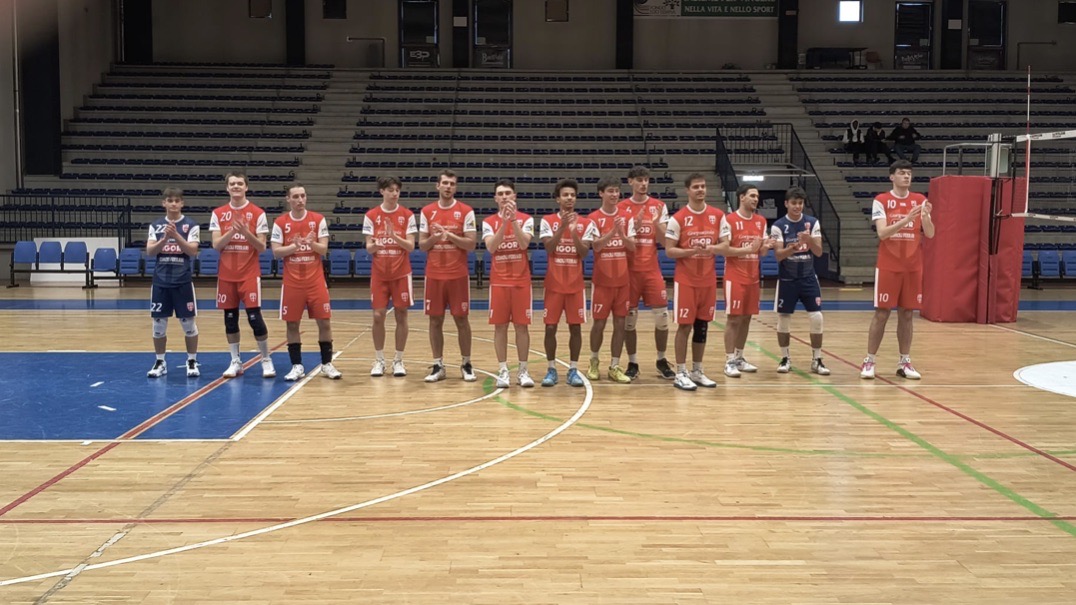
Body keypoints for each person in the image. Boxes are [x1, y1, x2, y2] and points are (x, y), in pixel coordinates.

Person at [862, 160, 934, 380]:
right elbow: (882, 233)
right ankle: (869, 360)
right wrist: (907, 219)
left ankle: (904, 361)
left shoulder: (920, 200)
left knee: (907, 314)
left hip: (913, 266)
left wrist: (925, 217)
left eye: (909, 173)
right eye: (902, 173)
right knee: (882, 313)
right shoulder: (882, 200)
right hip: (888, 265)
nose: (906, 176)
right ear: (892, 177)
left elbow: (930, 233)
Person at [270, 184, 341, 381]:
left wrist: (310, 243)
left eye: (302, 196)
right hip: (292, 283)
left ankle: (327, 364)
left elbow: (323, 250)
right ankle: (297, 366)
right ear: (288, 199)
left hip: (315, 281)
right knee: (292, 324)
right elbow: (276, 252)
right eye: (295, 196)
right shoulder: (281, 222)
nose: (300, 200)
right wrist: (295, 245)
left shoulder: (317, 219)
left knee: (324, 322)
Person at [210, 171, 275, 379]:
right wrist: (232, 231)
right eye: (232, 184)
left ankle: (266, 359)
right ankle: (235, 361)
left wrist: (246, 232)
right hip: (226, 275)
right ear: (227, 188)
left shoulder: (257, 213)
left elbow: (262, 247)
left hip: (249, 275)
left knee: (255, 318)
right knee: (230, 320)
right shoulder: (218, 213)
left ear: (246, 187)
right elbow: (216, 245)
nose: (236, 186)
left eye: (240, 183)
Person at [664, 173, 725, 391]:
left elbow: (726, 245)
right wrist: (691, 251)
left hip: (708, 280)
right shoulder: (678, 218)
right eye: (696, 187)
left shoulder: (717, 215)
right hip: (686, 281)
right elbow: (669, 251)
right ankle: (681, 372)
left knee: (702, 326)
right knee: (685, 325)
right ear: (687, 190)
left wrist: (712, 248)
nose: (700, 190)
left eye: (703, 186)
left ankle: (697, 370)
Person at [418, 169, 478, 383]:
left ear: (455, 187)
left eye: (452, 184)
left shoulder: (466, 211)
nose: (448, 187)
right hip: (434, 275)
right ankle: (438, 365)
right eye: (445, 183)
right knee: (435, 320)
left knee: (461, 319)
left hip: (458, 275)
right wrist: (435, 238)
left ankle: (466, 363)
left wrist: (449, 235)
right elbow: (422, 245)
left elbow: (471, 244)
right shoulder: (427, 211)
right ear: (438, 186)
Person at [617, 165, 674, 380]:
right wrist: (635, 224)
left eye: (646, 180)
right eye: (639, 180)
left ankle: (661, 360)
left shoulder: (658, 206)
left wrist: (657, 223)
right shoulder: (621, 207)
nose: (643, 184)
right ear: (630, 182)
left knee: (662, 319)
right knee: (629, 321)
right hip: (629, 271)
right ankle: (632, 362)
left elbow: (665, 242)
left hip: (651, 270)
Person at [770, 187, 829, 376]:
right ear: (786, 204)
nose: (797, 206)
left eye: (800, 203)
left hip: (808, 278)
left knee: (817, 317)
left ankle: (817, 359)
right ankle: (785, 358)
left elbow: (818, 252)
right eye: (794, 203)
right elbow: (778, 255)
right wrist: (792, 248)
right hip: (787, 279)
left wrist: (809, 240)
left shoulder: (812, 222)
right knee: (784, 319)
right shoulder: (778, 225)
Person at [482, 179, 535, 388]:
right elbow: (491, 248)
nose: (504, 197)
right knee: (500, 327)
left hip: (521, 282)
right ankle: (503, 370)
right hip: (499, 283)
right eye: (500, 194)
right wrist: (504, 223)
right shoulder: (488, 222)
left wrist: (513, 221)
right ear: (495, 198)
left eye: (508, 193)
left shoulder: (526, 219)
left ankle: (523, 370)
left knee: (522, 326)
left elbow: (523, 243)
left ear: (514, 196)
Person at [363, 176, 417, 378]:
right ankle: (379, 359)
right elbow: (369, 248)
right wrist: (376, 245)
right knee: (378, 316)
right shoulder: (371, 215)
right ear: (382, 191)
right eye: (390, 190)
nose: (394, 193)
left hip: (401, 273)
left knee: (401, 315)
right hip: (379, 274)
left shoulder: (407, 215)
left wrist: (394, 236)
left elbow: (410, 246)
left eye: (397, 190)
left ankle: (398, 360)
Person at [584, 177, 637, 384]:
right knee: (599, 323)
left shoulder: (626, 217)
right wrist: (613, 231)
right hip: (602, 281)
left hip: (622, 280)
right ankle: (594, 361)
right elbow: (596, 246)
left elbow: (632, 246)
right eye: (610, 191)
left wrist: (621, 233)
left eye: (616, 191)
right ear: (601, 193)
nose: (614, 195)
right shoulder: (593, 218)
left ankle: (615, 365)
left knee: (620, 323)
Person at [538, 179, 590, 387]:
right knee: (550, 328)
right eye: (565, 195)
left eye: (573, 195)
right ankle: (551, 369)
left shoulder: (586, 223)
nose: (569, 198)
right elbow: (549, 248)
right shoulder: (547, 221)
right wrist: (562, 228)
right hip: (554, 285)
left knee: (575, 328)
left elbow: (583, 253)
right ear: (557, 199)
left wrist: (574, 232)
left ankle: (573, 369)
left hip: (575, 285)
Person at [721, 184, 776, 378]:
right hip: (735, 277)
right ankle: (729, 361)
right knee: (733, 319)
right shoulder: (729, 220)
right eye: (752, 195)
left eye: (757, 196)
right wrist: (747, 249)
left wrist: (766, 247)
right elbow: (724, 250)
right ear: (741, 197)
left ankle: (739, 357)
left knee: (746, 318)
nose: (755, 199)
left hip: (753, 277)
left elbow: (760, 252)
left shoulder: (761, 221)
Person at [145, 187, 201, 378]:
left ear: (182, 203)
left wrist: (176, 236)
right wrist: (164, 239)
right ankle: (160, 361)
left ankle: (192, 360)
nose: (174, 204)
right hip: (161, 281)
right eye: (170, 200)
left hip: (182, 280)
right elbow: (150, 251)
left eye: (177, 201)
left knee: (188, 324)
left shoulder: (191, 225)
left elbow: (192, 251)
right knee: (158, 325)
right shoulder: (156, 225)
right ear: (164, 203)